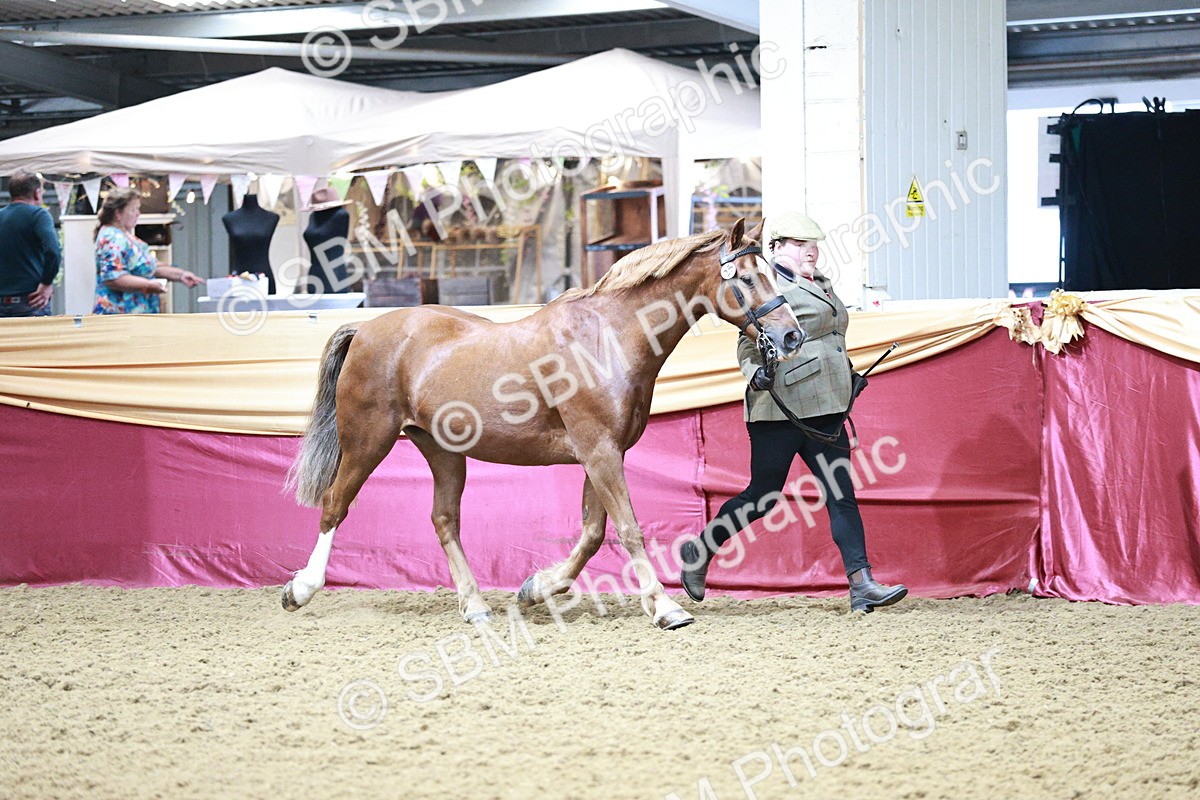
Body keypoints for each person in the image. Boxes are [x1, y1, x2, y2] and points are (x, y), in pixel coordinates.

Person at [679, 212, 908, 613]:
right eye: (802, 245)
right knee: (762, 497)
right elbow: (747, 347)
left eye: (815, 244)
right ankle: (700, 552)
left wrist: (846, 375)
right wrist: (756, 375)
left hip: (827, 407)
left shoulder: (821, 282)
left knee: (841, 495)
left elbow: (831, 336)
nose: (812, 251)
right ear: (778, 247)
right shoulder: (765, 286)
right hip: (779, 409)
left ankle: (862, 584)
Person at [93, 187, 202, 314]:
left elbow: (149, 266)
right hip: (119, 315)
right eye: (134, 209)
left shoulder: (127, 237)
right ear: (118, 213)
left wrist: (181, 275)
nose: (138, 213)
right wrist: (148, 285)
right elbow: (113, 278)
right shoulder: (111, 237)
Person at [0, 170, 61, 317]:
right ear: (36, 193)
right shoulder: (39, 215)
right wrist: (46, 283)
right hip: (32, 300)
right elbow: (53, 251)